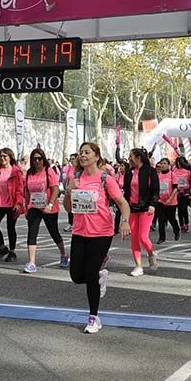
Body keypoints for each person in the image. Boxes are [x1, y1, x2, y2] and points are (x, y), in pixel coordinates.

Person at [64, 142, 131, 334]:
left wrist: (124, 221)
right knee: (77, 276)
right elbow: (69, 208)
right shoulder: (75, 178)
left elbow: (122, 203)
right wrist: (69, 192)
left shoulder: (105, 178)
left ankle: (94, 318)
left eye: (87, 152)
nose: (82, 155)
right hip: (79, 231)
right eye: (80, 152)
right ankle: (101, 275)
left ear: (96, 156)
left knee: (90, 272)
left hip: (101, 232)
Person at [23, 147, 69, 273]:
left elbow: (55, 189)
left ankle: (64, 254)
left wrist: (50, 204)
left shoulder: (49, 171)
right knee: (32, 233)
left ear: (43, 159)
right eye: (34, 159)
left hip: (49, 207)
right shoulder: (29, 173)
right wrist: (26, 207)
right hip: (34, 207)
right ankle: (32, 262)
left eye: (39, 158)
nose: (37, 161)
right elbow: (27, 191)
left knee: (54, 232)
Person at [123, 147, 159, 276]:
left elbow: (155, 189)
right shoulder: (129, 173)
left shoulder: (150, 171)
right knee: (134, 238)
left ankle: (151, 254)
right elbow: (126, 191)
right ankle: (138, 266)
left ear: (138, 158)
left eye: (131, 156)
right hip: (132, 208)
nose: (129, 159)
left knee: (143, 237)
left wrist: (152, 204)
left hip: (146, 208)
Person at [0, 147, 25, 262]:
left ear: (10, 158)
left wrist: (18, 203)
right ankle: (2, 247)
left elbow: (20, 189)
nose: (2, 158)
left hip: (11, 204)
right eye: (0, 156)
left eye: (5, 156)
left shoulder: (15, 171)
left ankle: (12, 252)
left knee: (11, 228)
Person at [155, 158, 181, 244]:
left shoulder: (172, 175)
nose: (162, 165)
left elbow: (175, 188)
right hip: (160, 201)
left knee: (171, 219)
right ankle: (162, 237)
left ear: (168, 165)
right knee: (161, 220)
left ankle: (176, 231)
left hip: (171, 201)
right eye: (161, 164)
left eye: (164, 163)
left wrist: (170, 199)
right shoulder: (158, 176)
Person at [173, 156, 191, 232]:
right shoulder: (174, 171)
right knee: (180, 211)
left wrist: (189, 192)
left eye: (180, 162)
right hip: (177, 193)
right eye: (177, 162)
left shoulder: (188, 171)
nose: (179, 164)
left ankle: (186, 223)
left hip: (186, 193)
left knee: (184, 209)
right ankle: (181, 224)